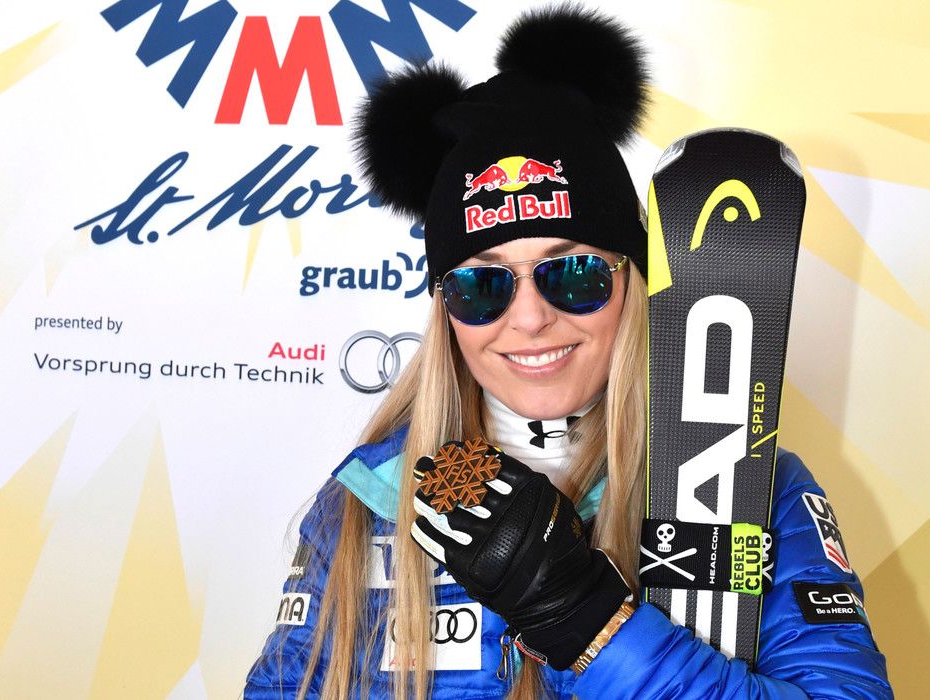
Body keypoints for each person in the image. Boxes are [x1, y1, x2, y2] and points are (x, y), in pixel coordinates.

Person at [244, 6, 893, 699]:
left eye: (573, 274)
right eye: (483, 285)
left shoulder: (748, 486)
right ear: (445, 311)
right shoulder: (369, 499)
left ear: (631, 282)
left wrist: (587, 622)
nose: (530, 318)